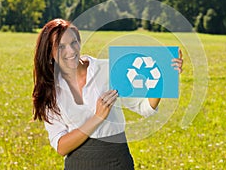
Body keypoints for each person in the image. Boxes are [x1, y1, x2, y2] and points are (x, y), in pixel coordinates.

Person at [32, 18, 183, 170]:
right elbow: (61, 146)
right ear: (49, 52)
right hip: (78, 164)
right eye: (61, 47)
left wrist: (162, 77)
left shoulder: (109, 69)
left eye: (73, 43)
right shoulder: (49, 90)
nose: (70, 51)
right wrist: (98, 117)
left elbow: (144, 107)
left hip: (117, 161)